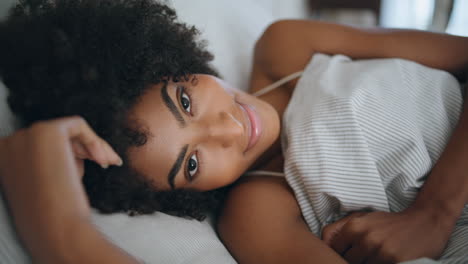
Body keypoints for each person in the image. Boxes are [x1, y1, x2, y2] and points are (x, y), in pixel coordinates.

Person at [0, 0, 466, 263]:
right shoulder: (255, 216)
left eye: (185, 101)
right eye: (192, 163)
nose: (227, 129)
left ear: (169, 62)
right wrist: (63, 229)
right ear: (186, 197)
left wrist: (432, 213)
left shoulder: (286, 46)